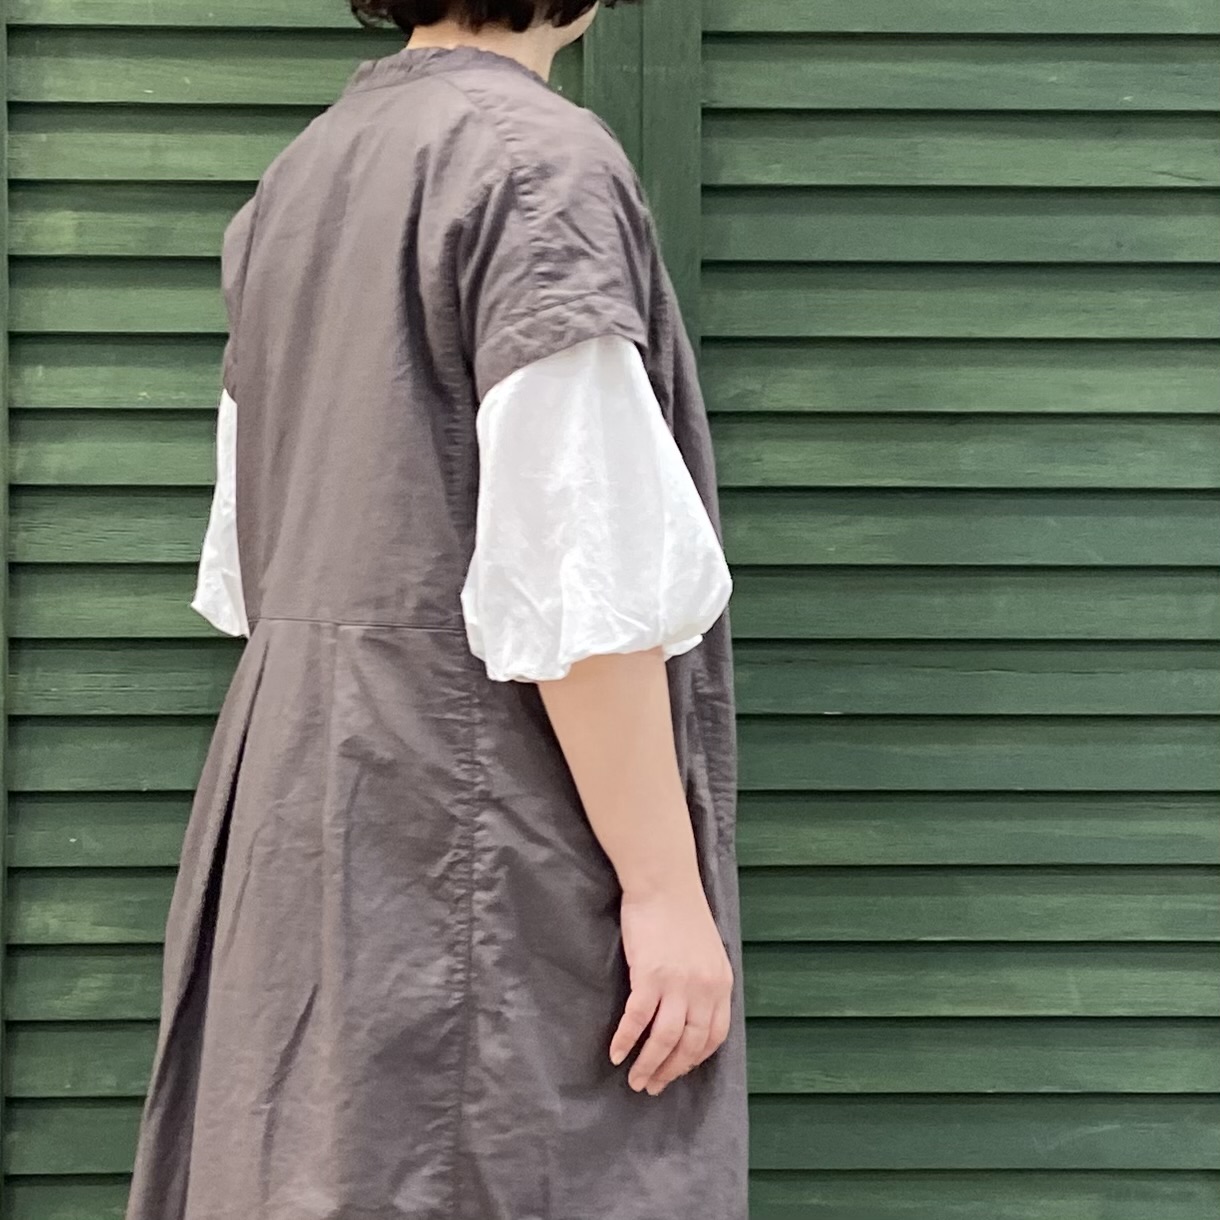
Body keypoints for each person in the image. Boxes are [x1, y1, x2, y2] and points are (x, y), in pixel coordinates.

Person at [124, 2, 748, 1217]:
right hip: (475, 821)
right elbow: (579, 584)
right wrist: (662, 889)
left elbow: (258, 557)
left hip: (303, 809)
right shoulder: (538, 168)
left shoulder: (306, 174)